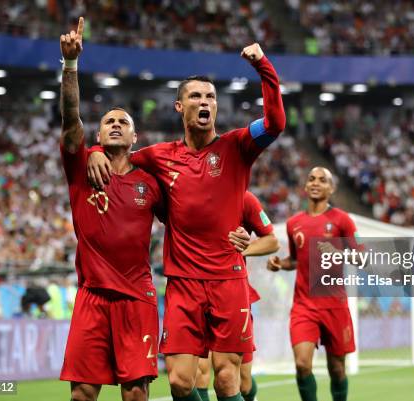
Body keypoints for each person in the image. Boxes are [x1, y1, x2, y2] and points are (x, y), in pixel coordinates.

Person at [88, 42, 285, 401]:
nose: (205, 102)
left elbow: (275, 123)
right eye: (195, 96)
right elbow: (119, 153)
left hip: (228, 280)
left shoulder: (237, 146)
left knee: (228, 380)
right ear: (180, 106)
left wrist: (263, 68)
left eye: (210, 96)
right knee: (180, 381)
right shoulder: (159, 156)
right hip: (182, 283)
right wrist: (94, 150)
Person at [58, 17, 164, 401]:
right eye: (108, 122)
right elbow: (71, 121)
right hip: (92, 297)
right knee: (82, 395)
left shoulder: (151, 182)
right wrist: (70, 67)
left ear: (135, 137)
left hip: (137, 297)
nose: (116, 125)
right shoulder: (81, 166)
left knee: (135, 394)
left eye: (124, 122)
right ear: (98, 135)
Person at [266, 167, 360, 401]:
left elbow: (361, 257)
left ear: (331, 188)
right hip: (304, 306)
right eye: (311, 179)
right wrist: (280, 263)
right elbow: (296, 261)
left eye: (322, 180)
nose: (316, 183)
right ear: (306, 186)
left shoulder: (342, 221)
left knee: (337, 369)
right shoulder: (293, 223)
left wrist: (338, 252)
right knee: (302, 364)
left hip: (334, 306)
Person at [196, 191, 280, 401]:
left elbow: (272, 241)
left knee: (241, 381)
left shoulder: (244, 198)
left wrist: (240, 250)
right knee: (196, 373)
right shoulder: (187, 192)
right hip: (193, 290)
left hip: (232, 294)